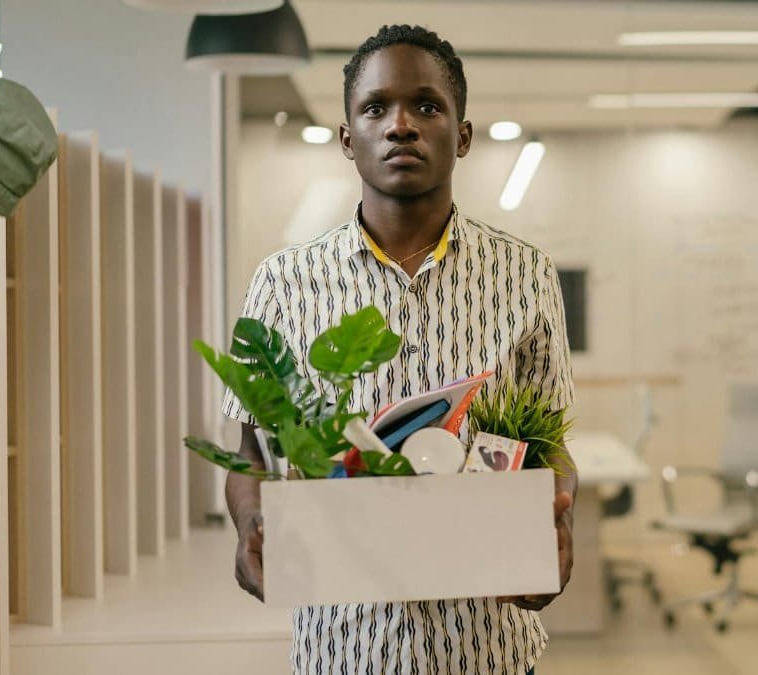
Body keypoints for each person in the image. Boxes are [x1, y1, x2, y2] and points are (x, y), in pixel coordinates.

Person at [221, 24, 576, 675]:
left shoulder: (526, 276)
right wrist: (251, 527)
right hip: (343, 650)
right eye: (377, 107)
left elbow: (550, 445)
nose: (402, 125)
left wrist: (558, 523)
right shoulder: (283, 283)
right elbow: (252, 454)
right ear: (348, 137)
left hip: (489, 649)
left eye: (427, 106)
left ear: (462, 135)